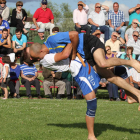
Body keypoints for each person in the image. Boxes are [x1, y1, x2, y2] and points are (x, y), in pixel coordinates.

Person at [27, 32, 140, 111]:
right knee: (110, 77)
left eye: (38, 57)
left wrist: (74, 51)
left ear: (41, 51)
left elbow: (74, 34)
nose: (39, 60)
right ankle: (135, 94)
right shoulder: (48, 55)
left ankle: (131, 62)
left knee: (103, 63)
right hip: (84, 55)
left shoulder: (52, 40)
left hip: (87, 42)